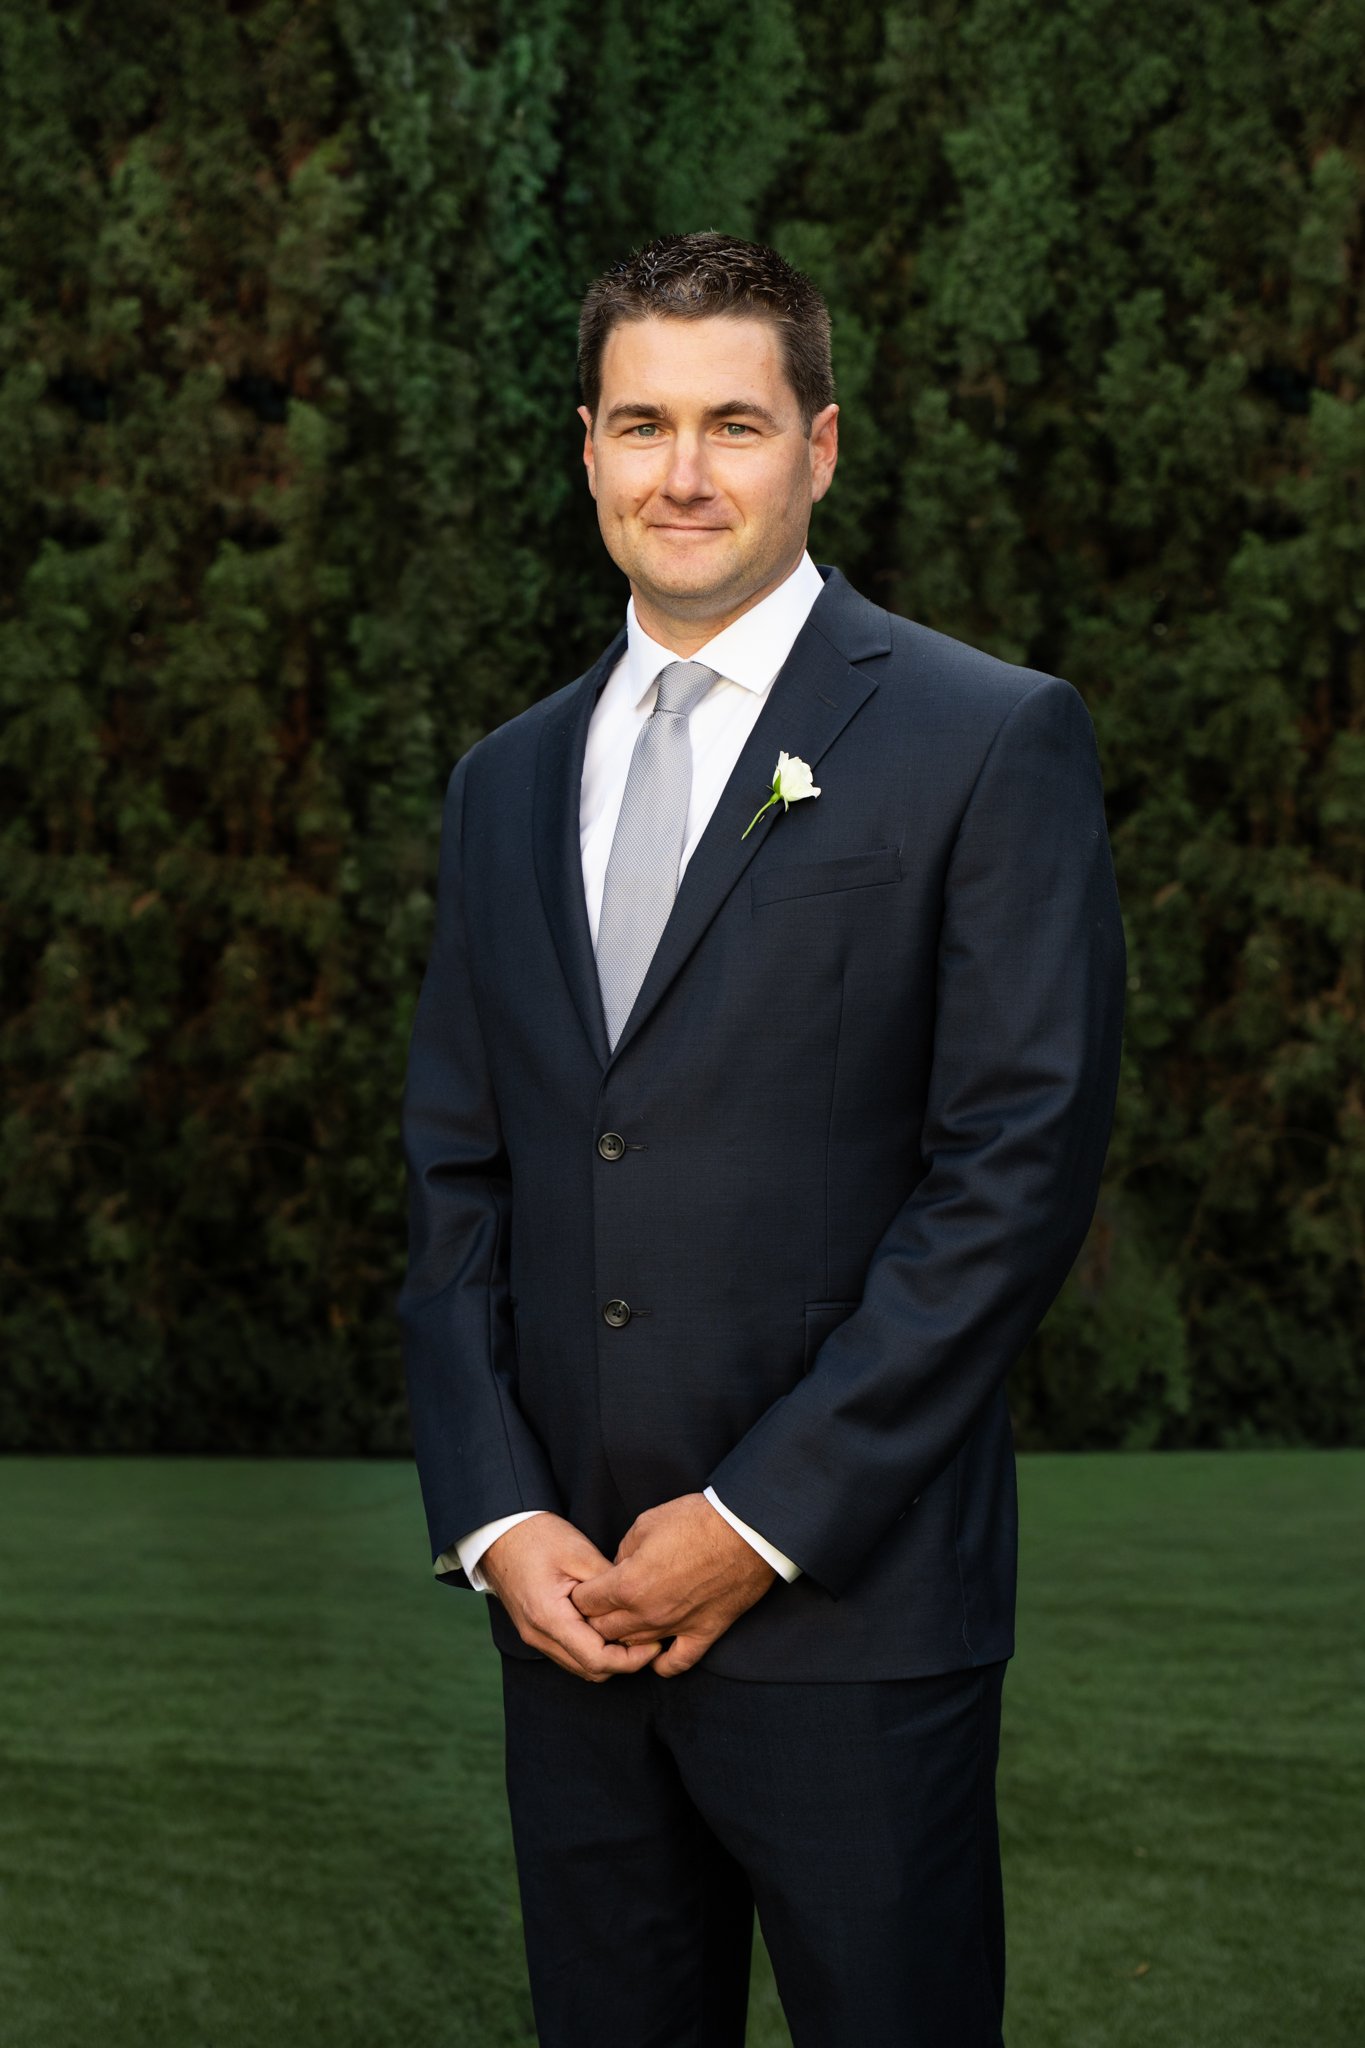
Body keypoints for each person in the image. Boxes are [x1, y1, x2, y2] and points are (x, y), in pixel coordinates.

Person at [398, 230, 1126, 2047]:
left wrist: (752, 1517)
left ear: (819, 444)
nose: (683, 474)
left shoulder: (985, 737)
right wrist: (499, 1519)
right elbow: (459, 1180)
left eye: (734, 422)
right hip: (566, 1619)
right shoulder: (502, 781)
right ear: (583, 449)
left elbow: (1014, 1170)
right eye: (641, 425)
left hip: (848, 1614)